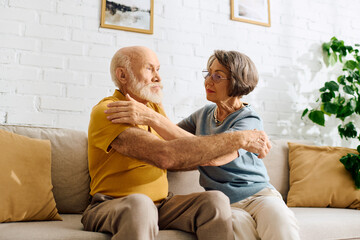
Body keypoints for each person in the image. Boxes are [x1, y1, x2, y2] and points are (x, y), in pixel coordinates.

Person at [106, 49, 300, 240]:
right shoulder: (204, 115)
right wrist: (152, 110)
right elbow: (172, 140)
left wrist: (152, 117)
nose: (208, 81)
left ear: (237, 81)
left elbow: (214, 157)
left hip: (259, 196)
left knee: (279, 221)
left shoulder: (249, 120)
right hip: (225, 203)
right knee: (237, 227)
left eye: (217, 76)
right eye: (208, 74)